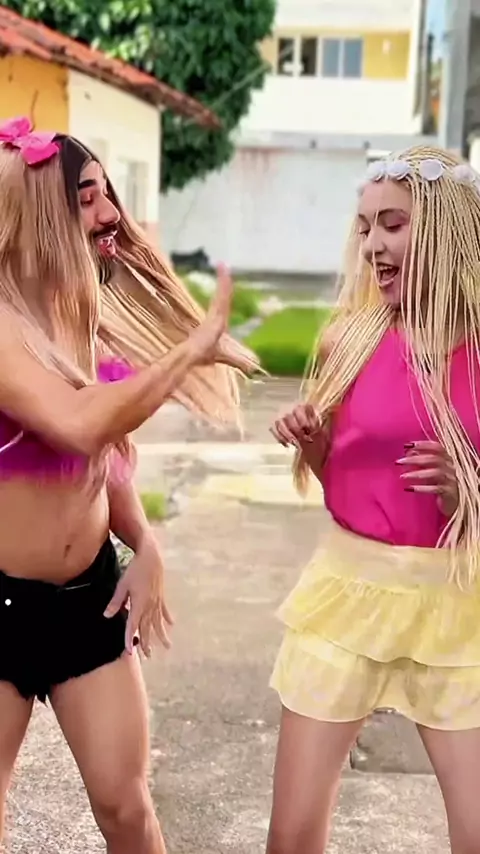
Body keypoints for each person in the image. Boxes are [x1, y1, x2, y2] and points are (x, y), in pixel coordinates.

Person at [0, 116, 258, 854]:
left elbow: (99, 466)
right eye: (86, 198)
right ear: (41, 214)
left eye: (106, 193)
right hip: (2, 604)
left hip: (90, 600)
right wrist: (188, 353)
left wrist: (145, 544)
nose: (109, 212)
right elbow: (78, 425)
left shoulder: (79, 315)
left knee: (127, 809)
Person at [269, 145, 480, 854]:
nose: (372, 246)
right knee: (291, 837)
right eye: (365, 228)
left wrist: (470, 490)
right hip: (349, 593)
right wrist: (313, 444)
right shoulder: (349, 341)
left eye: (393, 224)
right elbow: (340, 483)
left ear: (445, 229)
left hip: (459, 603)